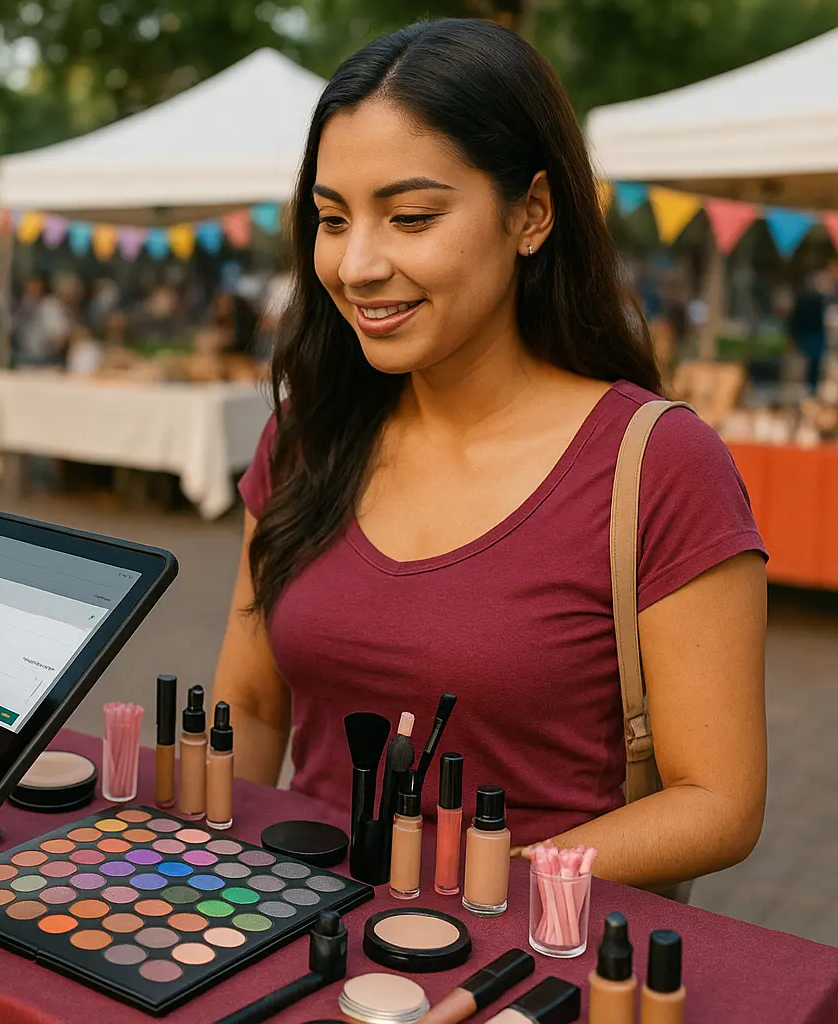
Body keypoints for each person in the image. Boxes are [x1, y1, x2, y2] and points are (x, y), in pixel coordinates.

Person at [211, 19, 766, 892]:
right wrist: (203, 874)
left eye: (411, 217)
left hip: (533, 965)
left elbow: (717, 800)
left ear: (531, 214)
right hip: (303, 929)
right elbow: (247, 704)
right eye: (331, 219)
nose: (356, 264)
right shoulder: (307, 434)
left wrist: (483, 882)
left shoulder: (657, 463)